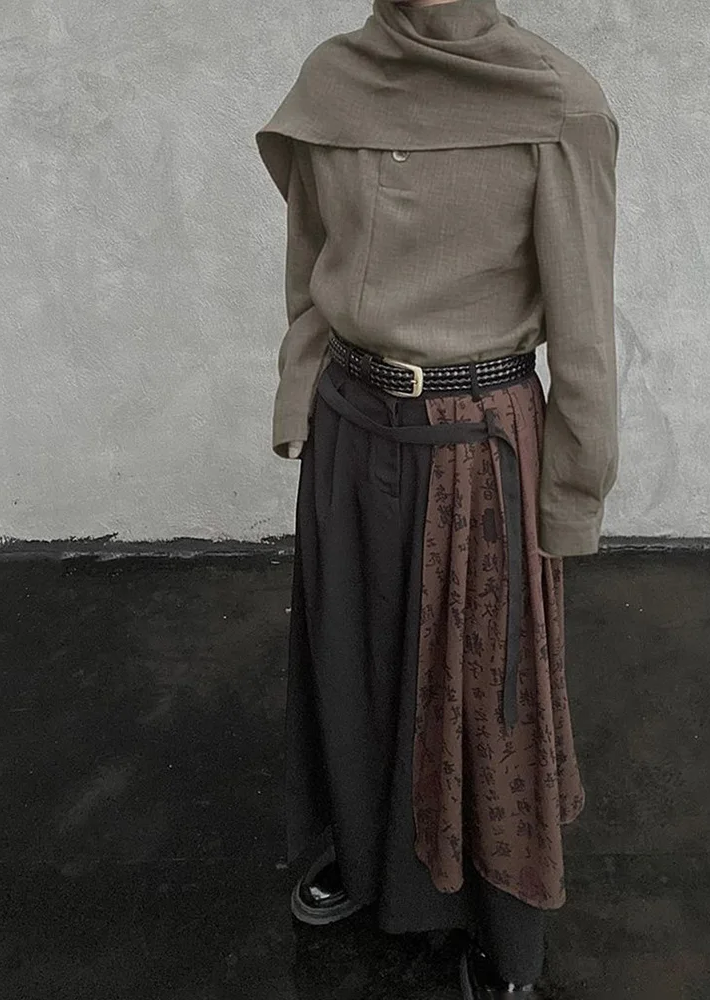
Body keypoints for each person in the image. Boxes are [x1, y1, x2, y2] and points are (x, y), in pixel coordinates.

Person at [254, 0, 620, 995]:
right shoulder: (334, 81)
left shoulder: (554, 103)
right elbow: (310, 264)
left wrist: (571, 492)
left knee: (484, 693)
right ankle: (372, 862)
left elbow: (584, 329)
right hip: (348, 420)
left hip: (474, 442)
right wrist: (299, 394)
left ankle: (501, 932)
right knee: (353, 652)